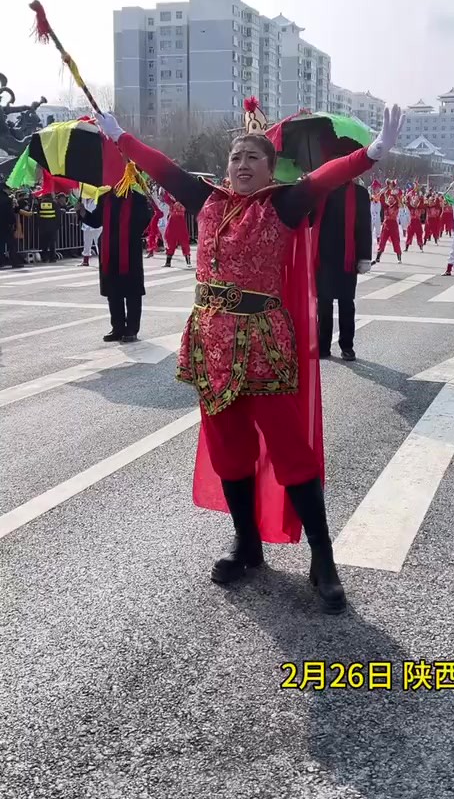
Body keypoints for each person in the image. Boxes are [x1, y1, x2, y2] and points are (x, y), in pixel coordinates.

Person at [94, 106, 400, 614]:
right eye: (235, 155)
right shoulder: (206, 201)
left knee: (289, 450)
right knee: (228, 448)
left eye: (252, 156)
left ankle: (323, 557)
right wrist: (122, 137)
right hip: (209, 341)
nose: (240, 162)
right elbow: (163, 167)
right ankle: (247, 543)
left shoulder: (282, 205)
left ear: (270, 166)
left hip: (262, 340)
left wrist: (371, 155)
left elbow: (323, 180)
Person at [77, 184, 153, 343]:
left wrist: (148, 209)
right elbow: (96, 221)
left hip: (129, 249)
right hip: (109, 249)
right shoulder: (105, 198)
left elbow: (145, 222)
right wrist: (82, 211)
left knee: (132, 292)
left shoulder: (137, 199)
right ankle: (117, 327)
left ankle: (132, 328)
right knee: (113, 292)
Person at [314, 176, 372, 361]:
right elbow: (308, 220)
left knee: (347, 303)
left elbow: (364, 227)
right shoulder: (319, 191)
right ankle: (323, 345)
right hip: (322, 255)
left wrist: (364, 257)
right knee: (323, 303)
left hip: (348, 256)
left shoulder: (359, 193)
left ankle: (347, 346)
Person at [374, 180, 402, 263]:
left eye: (391, 198)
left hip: (393, 225)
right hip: (386, 225)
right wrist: (387, 187)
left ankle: (399, 257)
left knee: (396, 241)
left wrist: (394, 193)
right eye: (389, 198)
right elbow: (380, 196)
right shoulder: (386, 206)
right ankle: (378, 257)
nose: (390, 199)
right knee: (382, 241)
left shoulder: (396, 205)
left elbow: (399, 201)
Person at [164, 195, 192, 267]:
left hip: (180, 222)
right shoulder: (170, 198)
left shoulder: (183, 199)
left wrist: (178, 204)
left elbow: (184, 209)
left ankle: (188, 261)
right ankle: (168, 262)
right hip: (172, 222)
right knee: (170, 240)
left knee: (184, 241)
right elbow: (165, 198)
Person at [32, 191, 60, 263]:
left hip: (43, 226)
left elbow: (38, 215)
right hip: (52, 226)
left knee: (44, 243)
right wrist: (58, 225)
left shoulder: (40, 204)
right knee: (52, 243)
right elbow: (58, 215)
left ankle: (44, 257)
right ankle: (52, 258)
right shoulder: (54, 204)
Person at [0, 179, 20, 268]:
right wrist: (13, 222)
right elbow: (10, 213)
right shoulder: (7, 200)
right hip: (6, 224)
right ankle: (14, 262)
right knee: (12, 244)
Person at [78, 196, 102, 267]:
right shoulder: (84, 199)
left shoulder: (97, 198)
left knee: (98, 243)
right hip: (86, 225)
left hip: (96, 225)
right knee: (86, 243)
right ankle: (85, 261)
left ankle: (101, 261)